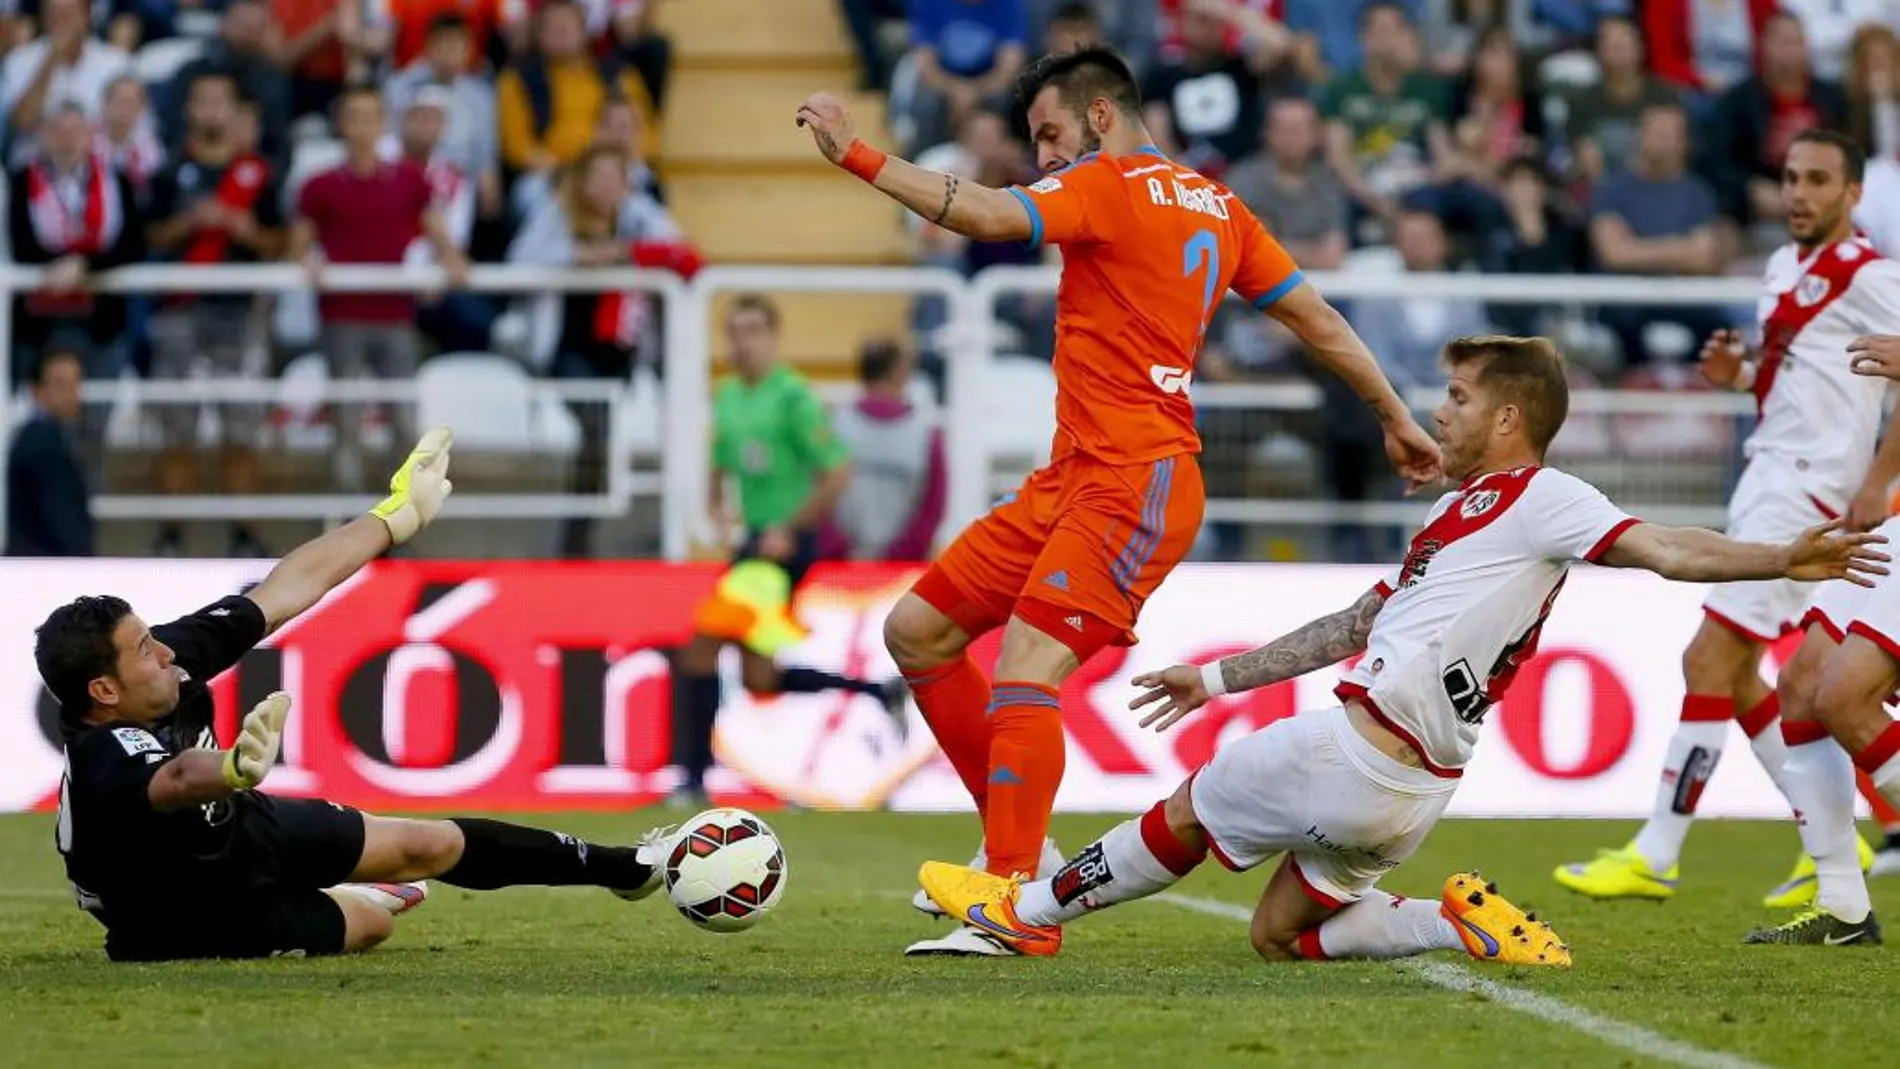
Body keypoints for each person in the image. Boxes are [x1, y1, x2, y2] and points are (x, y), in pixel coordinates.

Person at [915, 334, 1887, 962]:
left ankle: (1024, 910)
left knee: (1185, 811)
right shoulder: (1460, 518)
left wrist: (1779, 557)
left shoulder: (1545, 497)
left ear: (1509, 418)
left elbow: (1667, 548)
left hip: (1353, 747)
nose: (1442, 410)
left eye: (1458, 397)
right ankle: (1448, 919)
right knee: (1277, 935)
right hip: (1411, 800)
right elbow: (1349, 623)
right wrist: (1213, 677)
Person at [794, 45, 1441, 956]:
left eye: (1050, 133)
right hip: (1072, 478)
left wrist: (858, 155)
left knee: (1026, 668)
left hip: (1135, 481)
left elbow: (982, 213)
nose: (1045, 156)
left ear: (1100, 117)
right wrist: (1396, 417)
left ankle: (1014, 904)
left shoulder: (1107, 184)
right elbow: (1316, 318)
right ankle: (1015, 841)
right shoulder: (1220, 205)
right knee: (918, 633)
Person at [43, 428, 676, 962]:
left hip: (240, 828)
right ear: (103, 691)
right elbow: (178, 776)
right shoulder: (103, 755)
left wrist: (393, 517)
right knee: (373, 927)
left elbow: (291, 585)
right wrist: (232, 767)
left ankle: (626, 867)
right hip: (180, 912)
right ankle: (369, 896)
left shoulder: (166, 662)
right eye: (144, 650)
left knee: (427, 845)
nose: (166, 652)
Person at [1557, 129, 1900, 909]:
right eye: (1790, 178)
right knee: (1750, 677)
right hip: (1767, 477)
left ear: (1852, 195)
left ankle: (1658, 850)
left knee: (1709, 662)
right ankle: (1833, 842)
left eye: (1819, 180)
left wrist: (1880, 478)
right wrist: (1739, 374)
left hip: (1813, 493)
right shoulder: (1784, 266)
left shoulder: (1871, 274)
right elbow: (1804, 384)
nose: (1799, 193)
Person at [670, 294, 909, 811]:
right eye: (735, 331)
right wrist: (716, 504)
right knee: (759, 676)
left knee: (699, 649)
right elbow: (722, 458)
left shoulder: (793, 397)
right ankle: (876, 691)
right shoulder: (730, 394)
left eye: (754, 330)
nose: (743, 341)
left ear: (773, 337)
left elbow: (837, 473)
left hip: (784, 545)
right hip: (753, 540)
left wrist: (789, 527)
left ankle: (689, 782)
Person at [6, 346, 93, 558]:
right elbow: (60, 517)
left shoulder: (52, 437)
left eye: (75, 383)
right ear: (37, 390)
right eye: (60, 384)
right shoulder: (41, 442)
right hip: (44, 569)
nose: (71, 393)